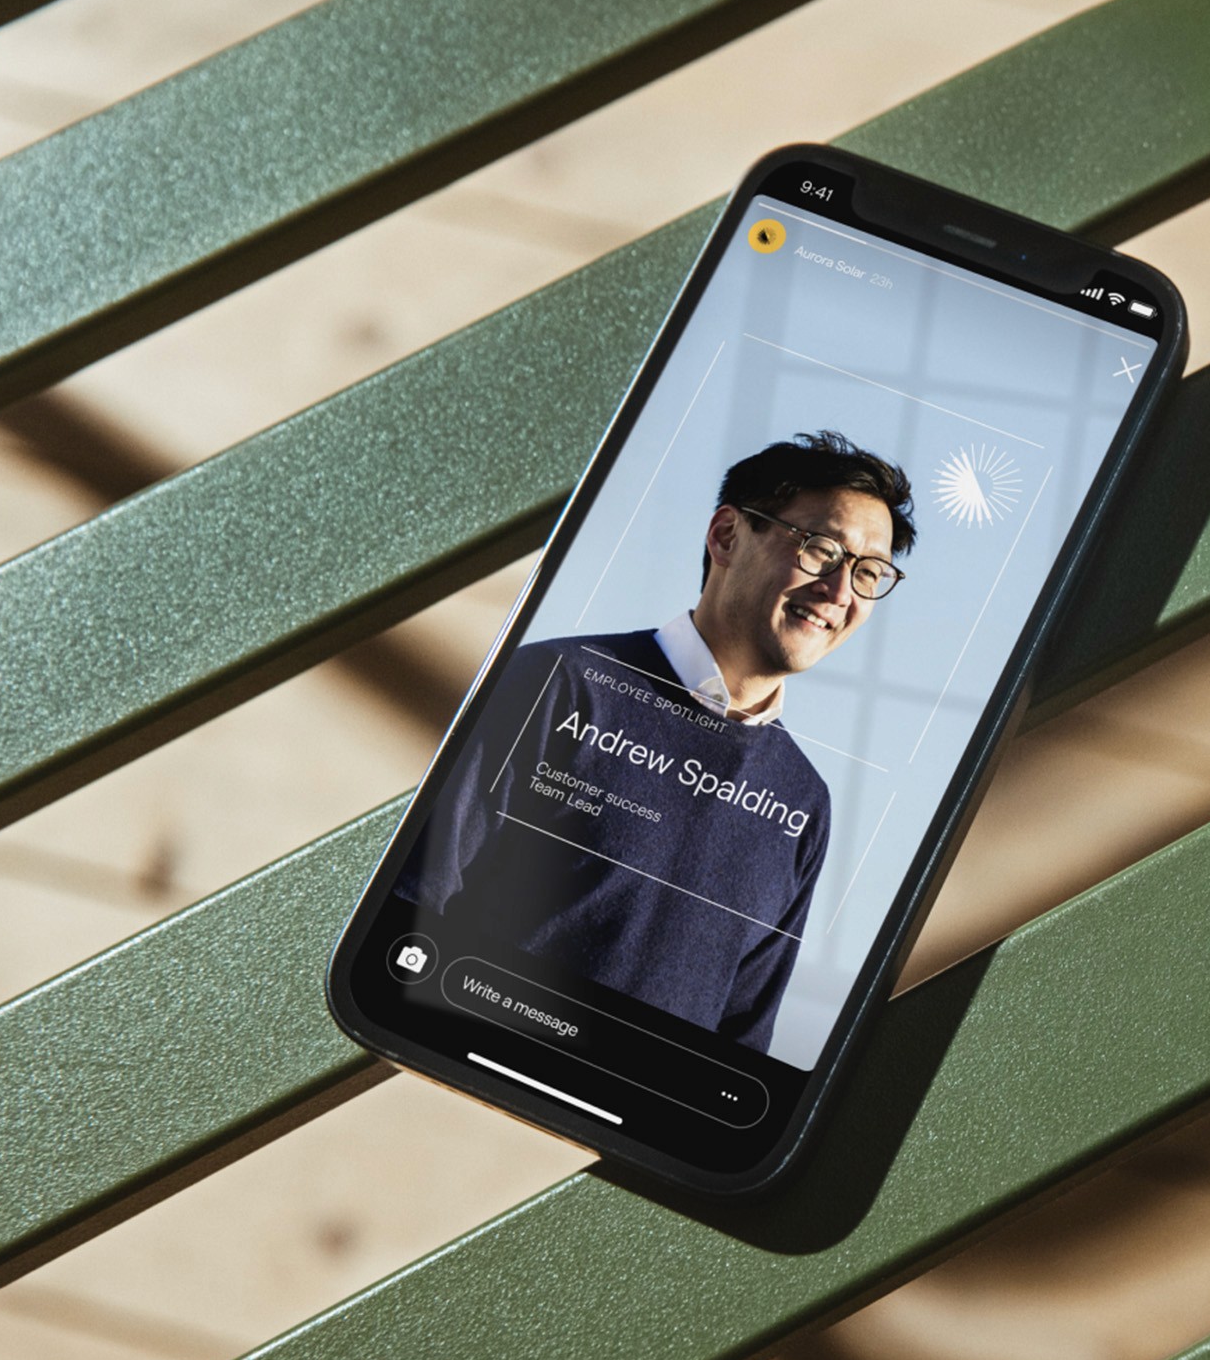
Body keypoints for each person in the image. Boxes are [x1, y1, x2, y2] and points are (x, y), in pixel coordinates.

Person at [390, 431, 916, 1054]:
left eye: (869, 573)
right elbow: (413, 907)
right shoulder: (558, 684)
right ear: (726, 536)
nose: (840, 592)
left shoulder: (804, 802)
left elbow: (740, 1040)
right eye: (821, 550)